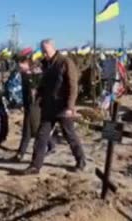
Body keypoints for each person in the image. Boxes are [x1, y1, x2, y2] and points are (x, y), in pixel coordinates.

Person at [21, 39, 86, 175]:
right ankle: (35, 166)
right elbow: (43, 84)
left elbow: (73, 86)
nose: (44, 54)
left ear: (52, 48)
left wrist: (70, 106)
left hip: (62, 108)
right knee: (41, 136)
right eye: (42, 51)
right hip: (48, 107)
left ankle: (81, 161)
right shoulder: (46, 64)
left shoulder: (65, 62)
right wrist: (38, 95)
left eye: (45, 51)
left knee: (69, 135)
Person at [14, 50, 55, 161]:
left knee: (34, 129)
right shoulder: (24, 74)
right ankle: (21, 153)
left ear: (26, 62)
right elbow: (24, 91)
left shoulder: (37, 73)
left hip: (36, 105)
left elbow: (38, 89)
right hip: (29, 104)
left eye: (20, 65)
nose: (19, 67)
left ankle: (22, 153)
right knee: (28, 129)